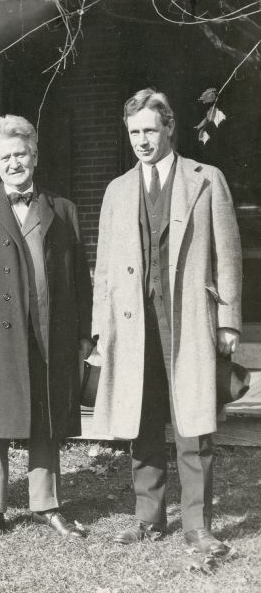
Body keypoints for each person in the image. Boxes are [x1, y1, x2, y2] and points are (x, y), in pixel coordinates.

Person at [92, 89, 242, 555]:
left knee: (193, 425)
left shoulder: (206, 179)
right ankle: (148, 517)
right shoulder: (117, 190)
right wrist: (101, 330)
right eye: (134, 132)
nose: (141, 140)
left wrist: (229, 319)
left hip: (190, 321)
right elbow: (105, 268)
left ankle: (197, 525)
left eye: (150, 130)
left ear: (169, 128)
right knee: (142, 420)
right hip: (135, 326)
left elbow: (228, 255)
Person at [0, 114, 93, 542]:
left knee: (46, 415)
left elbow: (79, 277)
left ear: (35, 155)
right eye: (5, 157)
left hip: (50, 329)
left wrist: (84, 331)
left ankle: (47, 504)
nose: (14, 163)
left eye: (20, 154)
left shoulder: (62, 210)